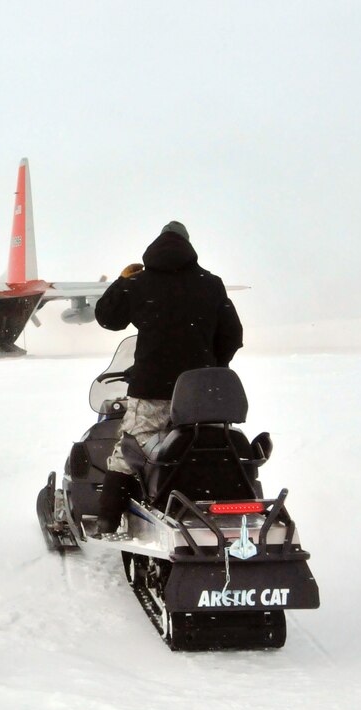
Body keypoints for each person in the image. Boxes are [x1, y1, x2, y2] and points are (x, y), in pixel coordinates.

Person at [93, 221, 243, 534]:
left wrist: (122, 282)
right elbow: (232, 335)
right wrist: (213, 366)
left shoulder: (140, 283)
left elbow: (108, 318)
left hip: (151, 388)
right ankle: (214, 509)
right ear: (189, 247)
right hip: (202, 393)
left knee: (129, 452)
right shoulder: (210, 283)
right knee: (203, 449)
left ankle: (108, 521)